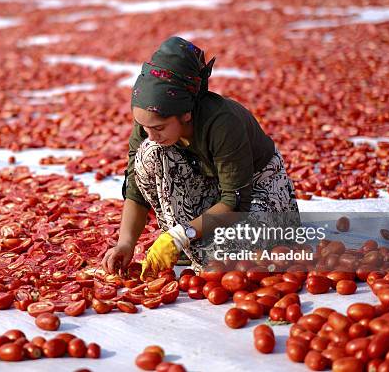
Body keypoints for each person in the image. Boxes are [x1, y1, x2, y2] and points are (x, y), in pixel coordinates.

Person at [101, 36, 299, 279]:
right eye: (144, 126)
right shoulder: (149, 121)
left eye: (160, 128)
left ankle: (186, 238)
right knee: (149, 153)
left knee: (230, 256)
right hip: (212, 189)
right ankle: (186, 237)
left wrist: (180, 236)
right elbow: (135, 187)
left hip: (253, 192)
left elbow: (235, 201)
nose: (150, 134)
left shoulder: (223, 123)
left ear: (185, 114)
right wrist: (126, 243)